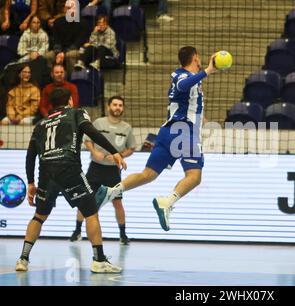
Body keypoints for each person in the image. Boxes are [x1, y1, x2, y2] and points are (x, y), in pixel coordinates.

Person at [96, 46, 218, 231]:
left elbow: (189, 105)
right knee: (194, 176)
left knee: (149, 174)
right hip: (183, 132)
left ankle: (111, 191)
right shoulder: (181, 76)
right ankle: (166, 202)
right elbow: (182, 85)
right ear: (195, 58)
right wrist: (208, 71)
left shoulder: (192, 81)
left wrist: (204, 122)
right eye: (199, 58)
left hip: (170, 132)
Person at [16, 87, 126, 273]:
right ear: (70, 101)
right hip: (68, 168)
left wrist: (31, 182)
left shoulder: (41, 124)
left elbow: (30, 155)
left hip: (46, 171)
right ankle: (99, 260)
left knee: (39, 216)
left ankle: (23, 259)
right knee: (91, 212)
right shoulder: (76, 112)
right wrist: (114, 151)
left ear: (51, 104)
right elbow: (91, 131)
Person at [70, 95, 136, 245]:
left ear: (123, 108)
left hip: (113, 171)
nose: (117, 107)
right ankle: (77, 231)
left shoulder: (126, 127)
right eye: (115, 104)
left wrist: (119, 156)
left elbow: (131, 148)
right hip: (95, 169)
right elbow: (87, 140)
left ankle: (123, 235)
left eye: (120, 105)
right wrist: (94, 153)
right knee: (85, 200)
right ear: (108, 106)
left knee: (117, 203)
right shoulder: (99, 122)